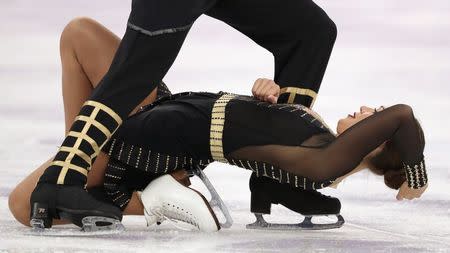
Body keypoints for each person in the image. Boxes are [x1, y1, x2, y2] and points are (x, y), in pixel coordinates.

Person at [29, 0, 341, 230]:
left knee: (312, 32)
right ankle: (62, 178)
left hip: (151, 133)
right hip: (149, 142)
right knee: (136, 71)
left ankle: (278, 177)